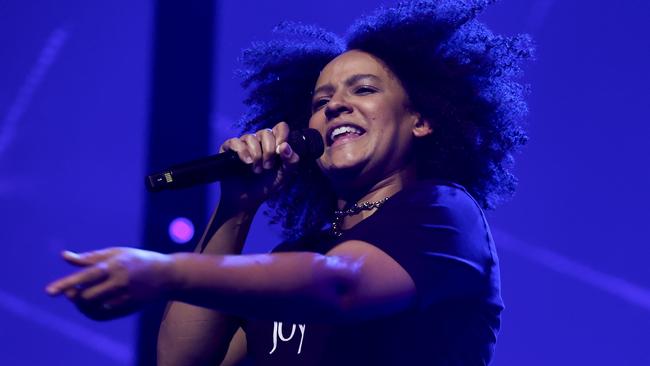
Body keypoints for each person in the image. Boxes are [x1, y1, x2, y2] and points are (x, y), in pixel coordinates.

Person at [46, 0, 533, 364]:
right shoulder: (295, 259)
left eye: (363, 90)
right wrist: (236, 208)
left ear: (421, 120)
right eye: (320, 102)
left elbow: (340, 286)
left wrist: (163, 270)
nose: (335, 106)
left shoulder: (442, 213)